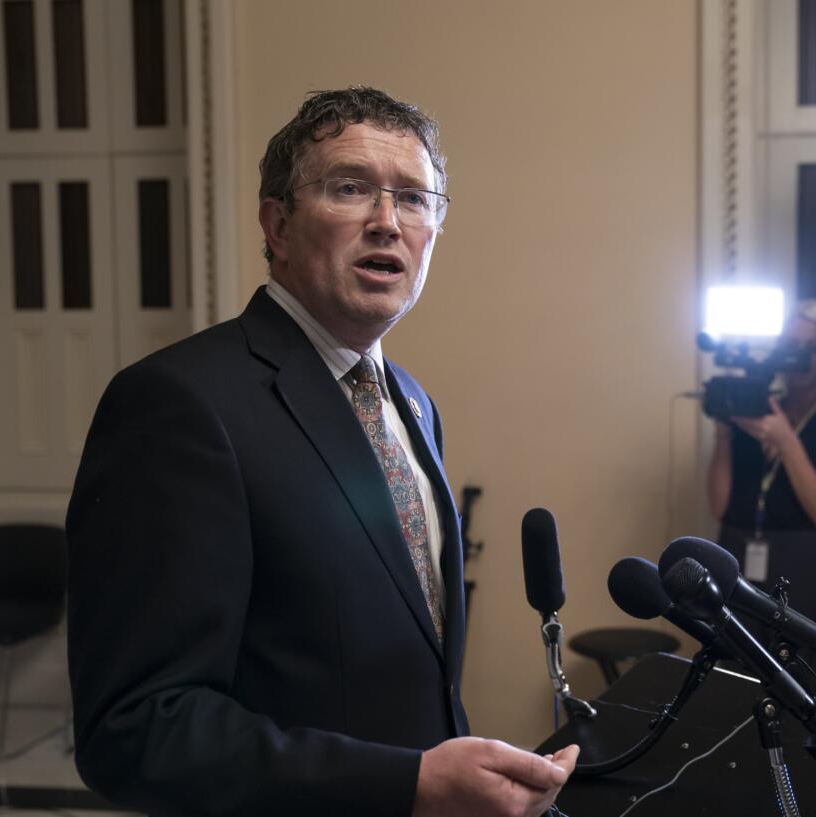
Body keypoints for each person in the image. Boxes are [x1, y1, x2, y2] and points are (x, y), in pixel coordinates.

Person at [66, 87, 578, 817]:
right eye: (349, 189)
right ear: (276, 223)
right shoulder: (176, 405)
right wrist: (407, 783)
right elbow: (135, 729)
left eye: (414, 198)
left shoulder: (412, 401)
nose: (387, 222)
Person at [707, 300, 816, 620]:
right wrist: (723, 434)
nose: (801, 358)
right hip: (736, 554)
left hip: (801, 564)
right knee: (731, 660)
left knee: (795, 664)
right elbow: (719, 507)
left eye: (814, 348)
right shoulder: (756, 408)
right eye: (792, 346)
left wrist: (786, 441)